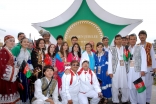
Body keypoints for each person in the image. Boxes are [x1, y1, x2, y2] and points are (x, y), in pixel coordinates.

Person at [108, 34, 129, 104]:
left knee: (125, 84)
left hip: (124, 69)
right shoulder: (111, 49)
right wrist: (110, 72)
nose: (119, 40)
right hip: (115, 70)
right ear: (115, 41)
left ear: (121, 40)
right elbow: (110, 61)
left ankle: (125, 99)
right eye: (117, 39)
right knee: (115, 85)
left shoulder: (126, 48)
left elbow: (128, 59)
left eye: (120, 39)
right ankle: (115, 100)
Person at [11, 37, 34, 103]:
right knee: (19, 85)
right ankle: (19, 100)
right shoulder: (18, 50)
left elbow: (29, 61)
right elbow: (13, 59)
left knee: (26, 85)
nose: (26, 43)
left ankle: (25, 100)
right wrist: (16, 67)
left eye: (27, 42)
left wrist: (31, 69)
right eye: (24, 42)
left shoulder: (28, 52)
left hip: (26, 71)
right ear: (21, 43)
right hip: (18, 72)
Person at [0, 35, 20, 103]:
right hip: (6, 78)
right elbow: (2, 66)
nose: (12, 42)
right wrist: (14, 70)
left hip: (11, 78)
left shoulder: (9, 51)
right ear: (6, 42)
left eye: (14, 41)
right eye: (10, 41)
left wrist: (16, 67)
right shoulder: (3, 51)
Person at [128, 33, 147, 104]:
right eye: (131, 39)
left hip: (138, 72)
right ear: (129, 40)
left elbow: (144, 59)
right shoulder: (127, 49)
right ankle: (133, 102)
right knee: (131, 88)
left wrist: (143, 70)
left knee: (140, 89)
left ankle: (142, 102)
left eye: (134, 39)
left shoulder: (140, 48)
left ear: (136, 40)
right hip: (130, 71)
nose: (132, 40)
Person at [138, 30, 156, 104]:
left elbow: (152, 56)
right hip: (140, 69)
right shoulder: (137, 45)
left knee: (148, 85)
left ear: (146, 36)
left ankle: (147, 100)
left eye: (143, 35)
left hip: (149, 67)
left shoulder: (149, 45)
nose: (142, 36)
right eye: (141, 35)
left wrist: (154, 67)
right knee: (141, 84)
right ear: (139, 37)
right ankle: (141, 100)